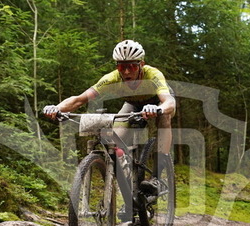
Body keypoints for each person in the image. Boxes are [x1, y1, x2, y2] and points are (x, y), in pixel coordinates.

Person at [42, 40, 176, 191]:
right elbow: (80, 99)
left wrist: (158, 108)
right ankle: (127, 175)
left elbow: (169, 102)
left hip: (158, 103)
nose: (126, 72)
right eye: (122, 67)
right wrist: (57, 108)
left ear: (141, 64)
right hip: (133, 105)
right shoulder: (111, 78)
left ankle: (157, 177)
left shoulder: (153, 74)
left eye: (132, 66)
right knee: (114, 140)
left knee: (164, 120)